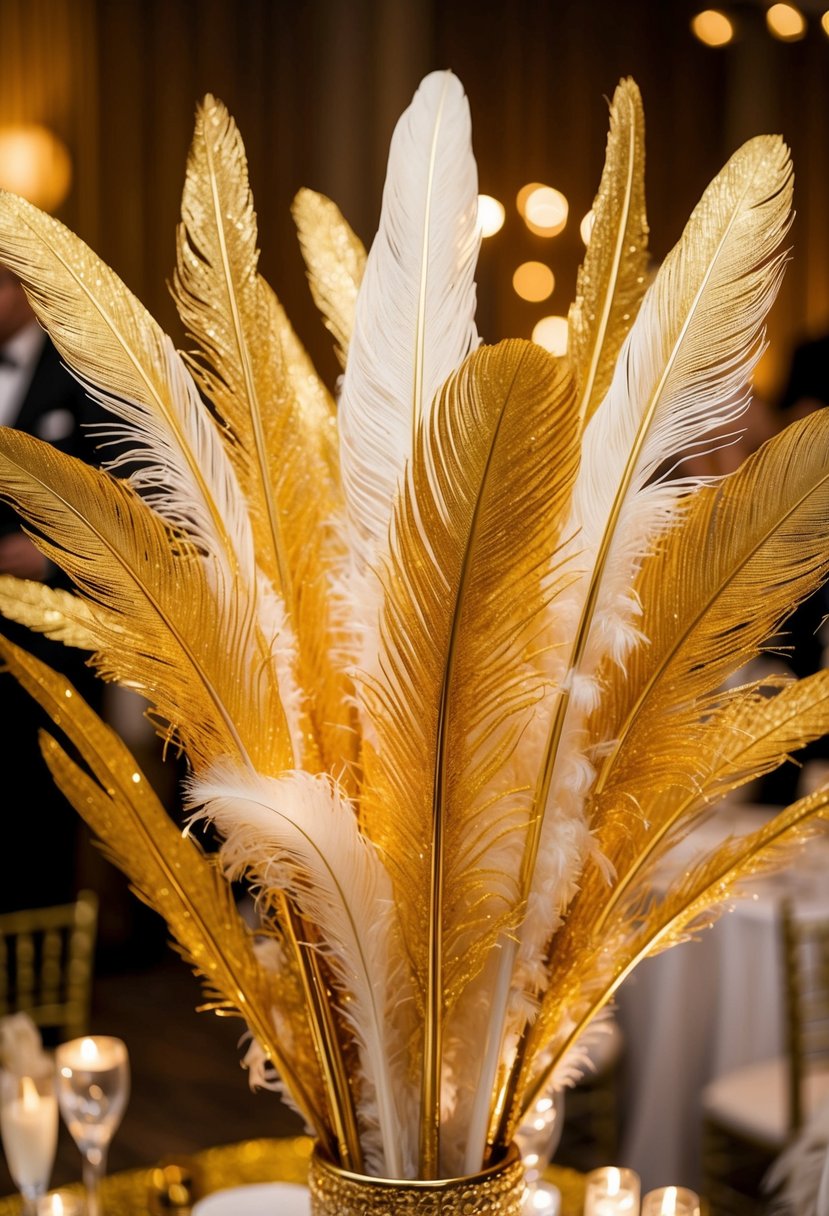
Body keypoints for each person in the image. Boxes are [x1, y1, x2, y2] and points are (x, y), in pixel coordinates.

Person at [0, 265, 104, 911]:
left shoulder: (83, 377)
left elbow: (126, 505)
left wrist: (49, 557)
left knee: (43, 813)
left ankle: (51, 999)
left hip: (52, 639)